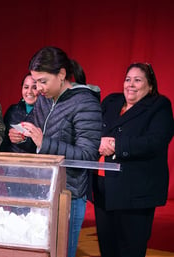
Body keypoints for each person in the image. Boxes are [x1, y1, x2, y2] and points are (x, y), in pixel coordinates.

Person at [21, 46, 102, 257]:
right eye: (35, 81)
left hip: (69, 194)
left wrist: (44, 142)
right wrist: (22, 136)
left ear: (62, 74)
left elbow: (88, 155)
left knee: (61, 253)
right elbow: (35, 135)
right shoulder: (45, 100)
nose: (38, 88)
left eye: (43, 81)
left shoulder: (85, 103)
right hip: (42, 190)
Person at [93, 63, 174, 257]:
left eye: (137, 80)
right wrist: (96, 142)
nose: (131, 84)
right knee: (107, 247)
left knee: (130, 249)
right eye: (128, 79)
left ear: (150, 86)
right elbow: (92, 127)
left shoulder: (159, 105)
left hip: (136, 192)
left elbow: (156, 141)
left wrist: (116, 146)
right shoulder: (112, 101)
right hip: (104, 188)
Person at [0, 72, 38, 153]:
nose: (29, 92)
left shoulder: (47, 113)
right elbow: (3, 141)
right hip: (12, 162)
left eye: (34, 87)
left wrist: (24, 140)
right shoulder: (12, 110)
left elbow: (46, 146)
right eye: (26, 87)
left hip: (34, 163)